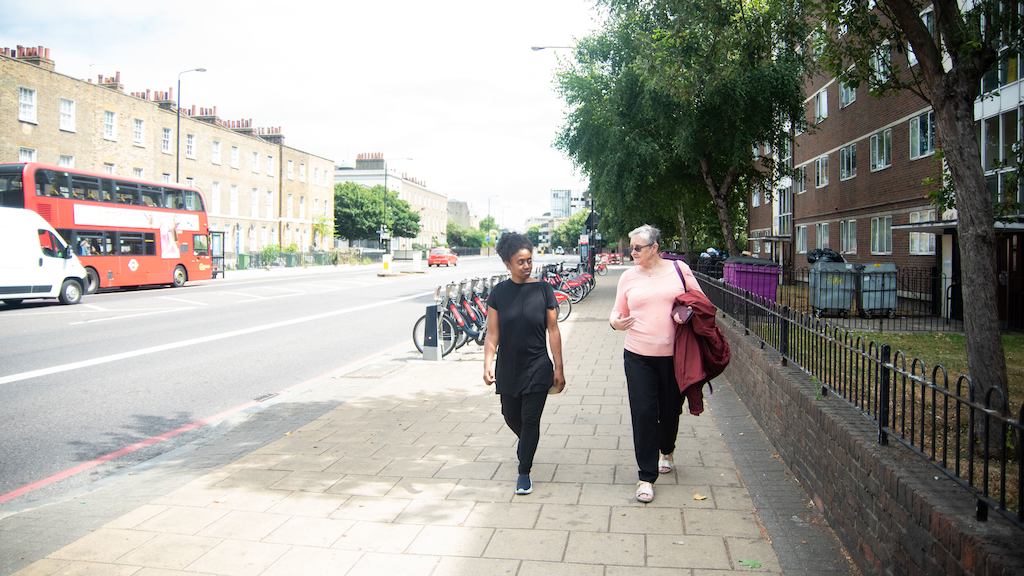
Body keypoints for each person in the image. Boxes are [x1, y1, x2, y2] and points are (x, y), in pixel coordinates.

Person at [610, 224, 703, 503]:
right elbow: (617, 311)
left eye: (638, 247)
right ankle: (646, 476)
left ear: (654, 248)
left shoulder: (678, 270)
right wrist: (616, 323)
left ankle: (667, 448)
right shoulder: (628, 277)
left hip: (675, 356)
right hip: (638, 355)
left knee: (670, 410)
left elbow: (700, 303)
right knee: (644, 413)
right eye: (631, 247)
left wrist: (684, 313)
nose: (632, 252)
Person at [483, 232, 565, 495]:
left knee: (530, 421)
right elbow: (492, 333)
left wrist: (559, 367)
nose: (527, 266)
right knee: (510, 415)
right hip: (508, 366)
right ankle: (526, 443)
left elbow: (553, 331)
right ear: (508, 263)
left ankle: (524, 472)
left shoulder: (543, 290)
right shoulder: (499, 293)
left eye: (529, 260)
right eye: (520, 261)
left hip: (538, 366)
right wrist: (487, 361)